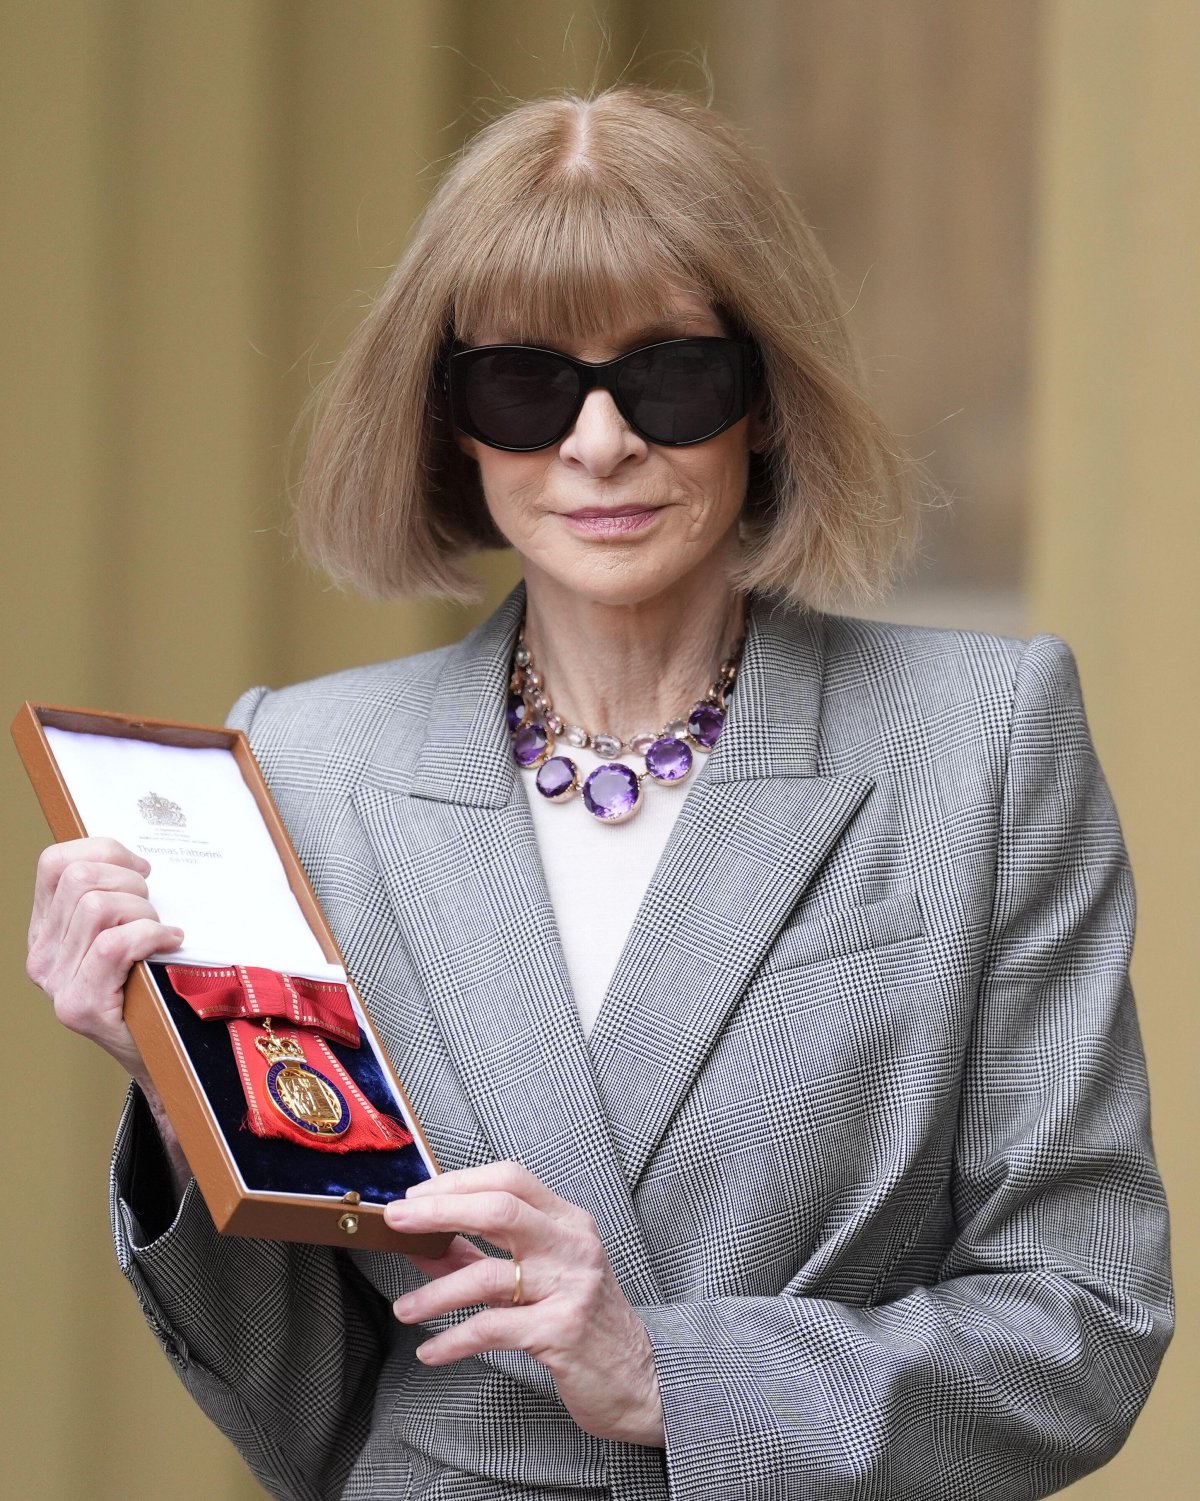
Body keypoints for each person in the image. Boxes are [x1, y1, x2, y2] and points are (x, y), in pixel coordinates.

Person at [26, 87, 1171, 1501]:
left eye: (670, 376)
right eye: (524, 382)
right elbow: (310, 1408)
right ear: (449, 421)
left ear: (763, 395)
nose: (598, 443)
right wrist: (177, 1073)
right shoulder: (303, 768)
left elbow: (1086, 1318)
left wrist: (670, 1376)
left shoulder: (981, 743)